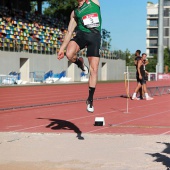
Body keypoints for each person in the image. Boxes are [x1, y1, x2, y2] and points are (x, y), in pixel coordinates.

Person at [57, 0, 102, 113]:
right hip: (81, 35)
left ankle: (90, 99)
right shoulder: (75, 13)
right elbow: (69, 32)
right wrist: (62, 49)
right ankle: (80, 63)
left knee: (94, 69)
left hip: (94, 37)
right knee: (69, 54)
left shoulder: (94, 2)